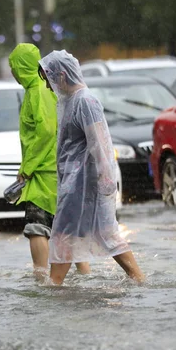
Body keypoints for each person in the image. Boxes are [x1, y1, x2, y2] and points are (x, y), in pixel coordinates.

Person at [38, 50, 145, 285]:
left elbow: (100, 143)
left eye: (50, 80)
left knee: (69, 234)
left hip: (86, 183)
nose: (49, 87)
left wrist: (105, 179)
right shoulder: (69, 102)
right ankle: (139, 280)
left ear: (63, 75)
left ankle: (54, 284)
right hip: (75, 183)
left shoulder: (85, 101)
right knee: (94, 233)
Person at [9, 43, 90, 281]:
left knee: (36, 225)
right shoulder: (42, 89)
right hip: (55, 170)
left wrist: (27, 169)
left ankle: (41, 276)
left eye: (14, 67)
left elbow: (44, 132)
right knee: (65, 227)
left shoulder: (38, 91)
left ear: (22, 66)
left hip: (44, 173)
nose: (13, 73)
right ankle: (85, 276)